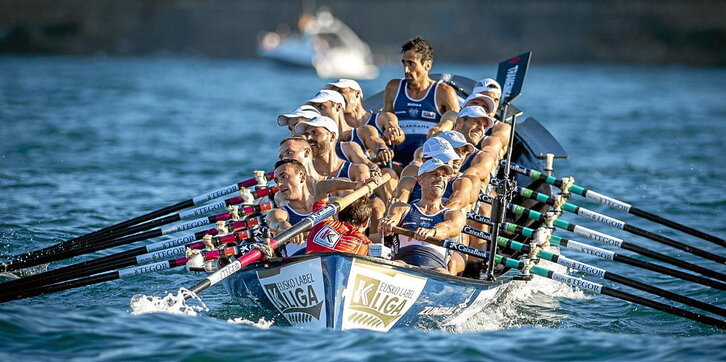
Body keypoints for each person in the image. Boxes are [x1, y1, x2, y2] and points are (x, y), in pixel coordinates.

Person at [379, 159, 466, 275]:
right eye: (434, 174)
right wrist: (387, 223)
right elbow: (393, 218)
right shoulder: (401, 208)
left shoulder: (453, 214)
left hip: (435, 268)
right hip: (403, 262)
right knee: (396, 266)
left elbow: (449, 228)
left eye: (444, 176)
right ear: (420, 179)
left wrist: (431, 232)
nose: (440, 179)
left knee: (442, 273)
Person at [383, 37, 460, 166]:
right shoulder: (393, 87)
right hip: (397, 160)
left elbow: (456, 120)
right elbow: (384, 120)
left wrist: (441, 128)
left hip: (429, 161)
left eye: (411, 64)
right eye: (404, 63)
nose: (406, 70)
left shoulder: (443, 92)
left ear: (427, 65)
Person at [305, 177, 381, 256]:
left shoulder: (322, 221)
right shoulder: (365, 244)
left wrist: (355, 185)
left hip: (310, 265)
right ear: (365, 223)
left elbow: (321, 187)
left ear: (337, 214)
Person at [326, 78, 405, 147]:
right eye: (334, 94)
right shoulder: (334, 129)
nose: (337, 97)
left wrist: (393, 133)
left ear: (357, 93)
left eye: (340, 92)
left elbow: (400, 138)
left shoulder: (382, 118)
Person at [266, 159, 315, 257]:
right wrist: (286, 227)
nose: (279, 184)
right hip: (299, 265)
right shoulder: (280, 213)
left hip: (330, 257)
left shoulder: (326, 205)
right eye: (276, 181)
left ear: (302, 177)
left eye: (284, 177)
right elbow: (275, 222)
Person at [294, 115, 368, 180]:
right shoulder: (304, 176)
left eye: (314, 133)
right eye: (307, 135)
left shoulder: (357, 170)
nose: (308, 138)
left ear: (332, 136)